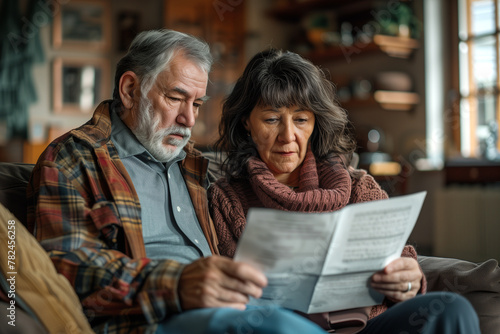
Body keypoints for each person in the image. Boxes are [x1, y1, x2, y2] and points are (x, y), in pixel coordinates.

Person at [26, 30, 330, 334]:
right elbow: (64, 267)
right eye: (175, 98)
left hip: (232, 307)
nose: (189, 119)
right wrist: (177, 283)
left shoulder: (194, 164)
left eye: (196, 104)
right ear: (130, 89)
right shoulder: (74, 158)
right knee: (280, 327)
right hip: (147, 320)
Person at [208, 48, 481, 334]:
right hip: (285, 328)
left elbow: (403, 266)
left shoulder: (359, 188)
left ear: (315, 123)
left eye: (301, 119)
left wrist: (407, 282)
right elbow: (229, 299)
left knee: (453, 309)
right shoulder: (227, 200)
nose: (288, 136)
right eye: (272, 119)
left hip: (367, 327)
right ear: (246, 123)